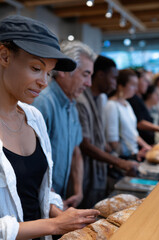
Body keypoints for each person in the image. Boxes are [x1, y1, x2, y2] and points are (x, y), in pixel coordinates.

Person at [0, 15, 99, 240]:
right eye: (35, 68)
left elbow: (38, 190)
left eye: (48, 73)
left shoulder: (34, 117)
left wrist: (61, 216)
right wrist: (54, 225)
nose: (44, 81)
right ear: (4, 56)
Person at [33, 40, 96, 209]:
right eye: (85, 75)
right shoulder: (43, 102)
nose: (89, 83)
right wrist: (52, 201)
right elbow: (31, 161)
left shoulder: (71, 104)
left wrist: (78, 191)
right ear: (63, 70)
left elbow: (76, 151)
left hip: (56, 198)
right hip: (37, 200)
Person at [76, 56, 138, 209]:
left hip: (100, 169)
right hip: (83, 172)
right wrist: (119, 161)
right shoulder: (81, 100)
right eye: (113, 78)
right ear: (100, 75)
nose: (115, 83)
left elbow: (100, 136)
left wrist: (112, 154)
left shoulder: (102, 98)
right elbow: (85, 144)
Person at [104, 69, 151, 159]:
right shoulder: (111, 105)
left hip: (134, 154)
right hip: (123, 158)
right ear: (121, 86)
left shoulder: (127, 103)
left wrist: (146, 146)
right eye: (133, 85)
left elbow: (133, 133)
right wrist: (132, 155)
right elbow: (113, 141)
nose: (136, 89)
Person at [127, 69, 159, 145]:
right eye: (145, 81)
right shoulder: (133, 99)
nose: (147, 84)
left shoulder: (138, 98)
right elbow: (139, 123)